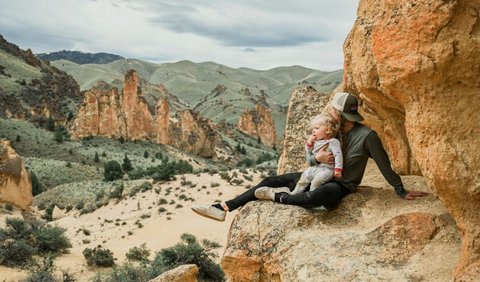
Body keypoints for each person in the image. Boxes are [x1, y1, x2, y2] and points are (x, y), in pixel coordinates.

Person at [191, 92, 428, 222]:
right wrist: (317, 160)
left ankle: (279, 199)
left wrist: (400, 190)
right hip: (316, 174)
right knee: (270, 180)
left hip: (339, 185)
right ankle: (222, 207)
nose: (332, 114)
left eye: (335, 111)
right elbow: (311, 160)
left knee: (318, 197)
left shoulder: (367, 136)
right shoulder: (330, 131)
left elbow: (384, 165)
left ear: (340, 114)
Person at [289, 114, 342, 195]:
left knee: (316, 182)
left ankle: (311, 195)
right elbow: (308, 152)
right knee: (304, 177)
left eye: (317, 128)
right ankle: (296, 192)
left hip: (327, 169)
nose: (313, 131)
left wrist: (338, 169)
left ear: (327, 130)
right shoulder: (316, 141)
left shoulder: (333, 142)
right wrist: (309, 143)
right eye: (313, 128)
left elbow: (338, 155)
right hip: (314, 167)